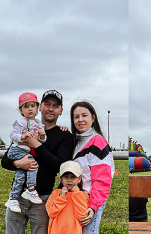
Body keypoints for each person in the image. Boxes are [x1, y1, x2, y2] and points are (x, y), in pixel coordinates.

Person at [1, 89, 74, 234]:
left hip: (42, 199)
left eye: (55, 106)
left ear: (61, 111)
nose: (51, 109)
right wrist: (18, 164)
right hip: (17, 197)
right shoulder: (25, 128)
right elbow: (5, 160)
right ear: (40, 106)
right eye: (47, 104)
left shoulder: (64, 135)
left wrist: (36, 144)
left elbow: (59, 166)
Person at [70, 101, 115, 234]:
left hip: (91, 200)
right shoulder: (76, 141)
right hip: (77, 197)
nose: (80, 120)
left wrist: (94, 206)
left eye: (84, 115)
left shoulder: (98, 142)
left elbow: (102, 179)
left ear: (93, 118)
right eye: (76, 117)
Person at [5, 92, 46, 213]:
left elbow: (42, 141)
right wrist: (22, 136)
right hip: (17, 150)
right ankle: (31, 189)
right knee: (32, 164)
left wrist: (43, 136)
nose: (30, 109)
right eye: (26, 106)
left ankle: (13, 198)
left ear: (37, 108)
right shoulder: (20, 122)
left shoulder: (39, 123)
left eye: (32, 106)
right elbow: (13, 135)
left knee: (21, 173)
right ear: (21, 110)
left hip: (26, 152)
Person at [46, 160, 90, 233]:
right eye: (66, 177)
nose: (69, 180)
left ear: (79, 179)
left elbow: (82, 216)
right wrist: (62, 197)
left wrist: (76, 194)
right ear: (62, 179)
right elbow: (51, 213)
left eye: (73, 177)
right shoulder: (55, 193)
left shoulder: (83, 195)